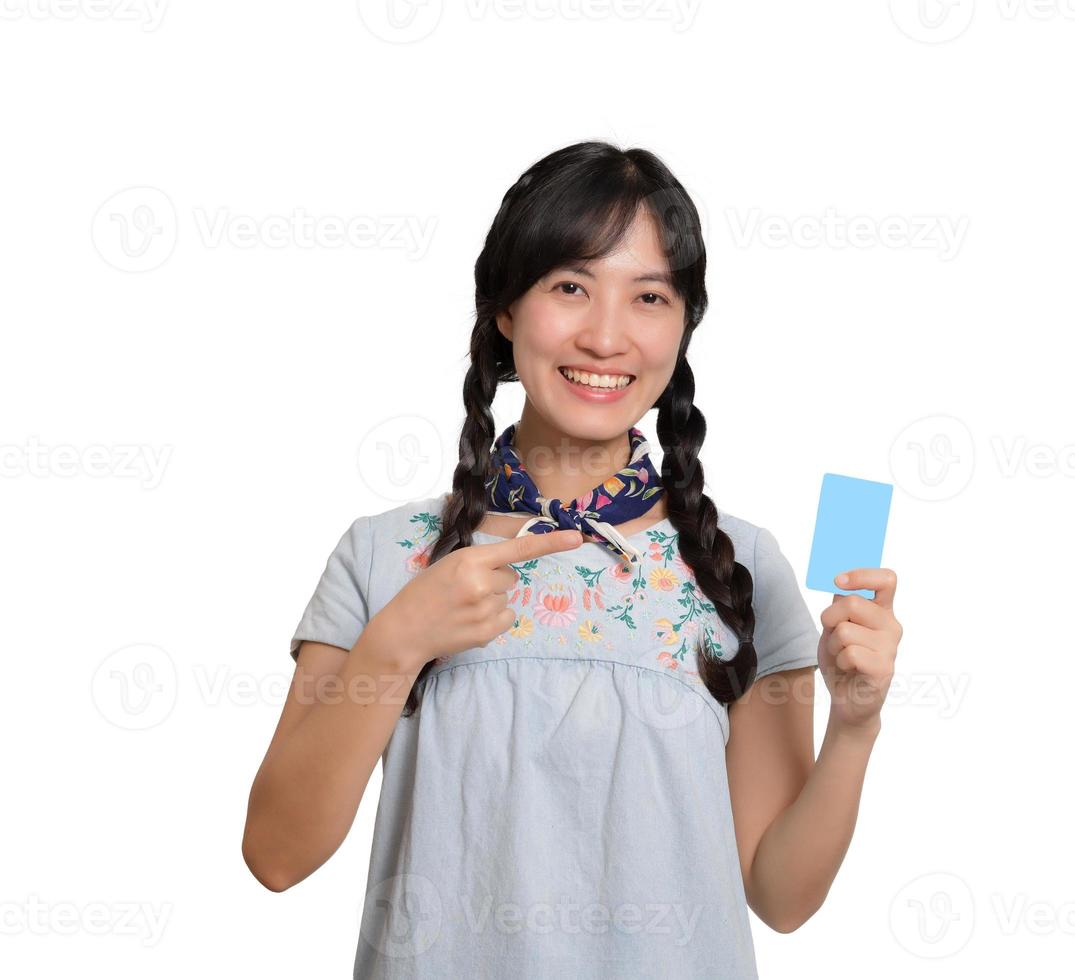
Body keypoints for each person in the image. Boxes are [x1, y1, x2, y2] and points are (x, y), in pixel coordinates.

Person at [241, 141, 904, 978]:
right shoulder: (384, 553)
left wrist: (855, 725)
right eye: (569, 286)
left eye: (650, 296)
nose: (605, 335)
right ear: (505, 310)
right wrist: (399, 641)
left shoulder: (742, 569)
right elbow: (276, 854)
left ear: (684, 325)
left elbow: (780, 896)